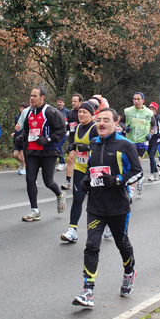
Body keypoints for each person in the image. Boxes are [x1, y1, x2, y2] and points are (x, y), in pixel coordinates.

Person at [71, 108, 142, 308]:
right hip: (95, 205)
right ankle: (88, 291)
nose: (101, 124)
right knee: (92, 245)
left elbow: (137, 173)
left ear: (115, 123)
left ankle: (129, 272)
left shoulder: (125, 145)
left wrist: (118, 179)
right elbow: (91, 168)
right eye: (99, 120)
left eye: (106, 120)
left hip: (118, 206)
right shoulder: (94, 143)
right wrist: (85, 180)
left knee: (122, 244)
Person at [16, 87, 67, 222]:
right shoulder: (29, 112)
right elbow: (27, 129)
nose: (31, 98)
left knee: (48, 182)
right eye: (31, 96)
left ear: (42, 97)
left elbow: (61, 131)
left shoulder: (51, 112)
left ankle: (60, 195)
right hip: (32, 151)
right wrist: (22, 137)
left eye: (35, 96)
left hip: (48, 151)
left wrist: (48, 139)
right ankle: (35, 210)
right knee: (30, 179)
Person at [61, 101, 98, 243]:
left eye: (84, 112)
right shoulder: (76, 127)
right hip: (79, 168)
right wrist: (71, 147)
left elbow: (99, 146)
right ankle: (72, 230)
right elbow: (72, 140)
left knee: (97, 201)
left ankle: (107, 226)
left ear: (91, 114)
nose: (81, 114)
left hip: (94, 170)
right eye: (80, 112)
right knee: (77, 199)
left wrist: (87, 148)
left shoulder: (94, 128)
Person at [121, 92, 155, 198]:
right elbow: (121, 122)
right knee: (131, 165)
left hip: (142, 141)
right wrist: (125, 128)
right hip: (130, 141)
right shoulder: (128, 111)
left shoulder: (149, 113)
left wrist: (151, 133)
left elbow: (153, 125)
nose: (136, 101)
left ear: (143, 101)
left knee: (136, 161)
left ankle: (131, 191)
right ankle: (139, 179)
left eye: (138, 99)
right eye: (134, 99)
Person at [62, 94, 83, 190]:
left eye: (75, 101)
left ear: (80, 102)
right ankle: (68, 181)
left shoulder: (83, 112)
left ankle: (86, 181)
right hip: (72, 140)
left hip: (82, 140)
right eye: (72, 101)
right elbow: (69, 126)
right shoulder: (70, 113)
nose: (73, 103)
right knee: (70, 159)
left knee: (83, 162)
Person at [11, 102, 28, 175]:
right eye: (21, 108)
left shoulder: (28, 116)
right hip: (17, 137)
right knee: (15, 154)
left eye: (24, 108)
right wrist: (14, 132)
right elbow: (17, 125)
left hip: (24, 137)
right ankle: (23, 163)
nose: (22, 110)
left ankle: (24, 168)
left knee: (22, 154)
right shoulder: (17, 116)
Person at [55, 96, 70, 171]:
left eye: (61, 102)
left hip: (65, 132)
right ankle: (62, 162)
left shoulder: (67, 112)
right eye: (58, 102)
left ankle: (61, 162)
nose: (59, 103)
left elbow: (70, 122)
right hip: (56, 132)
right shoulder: (54, 110)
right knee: (57, 146)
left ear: (64, 103)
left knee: (58, 146)